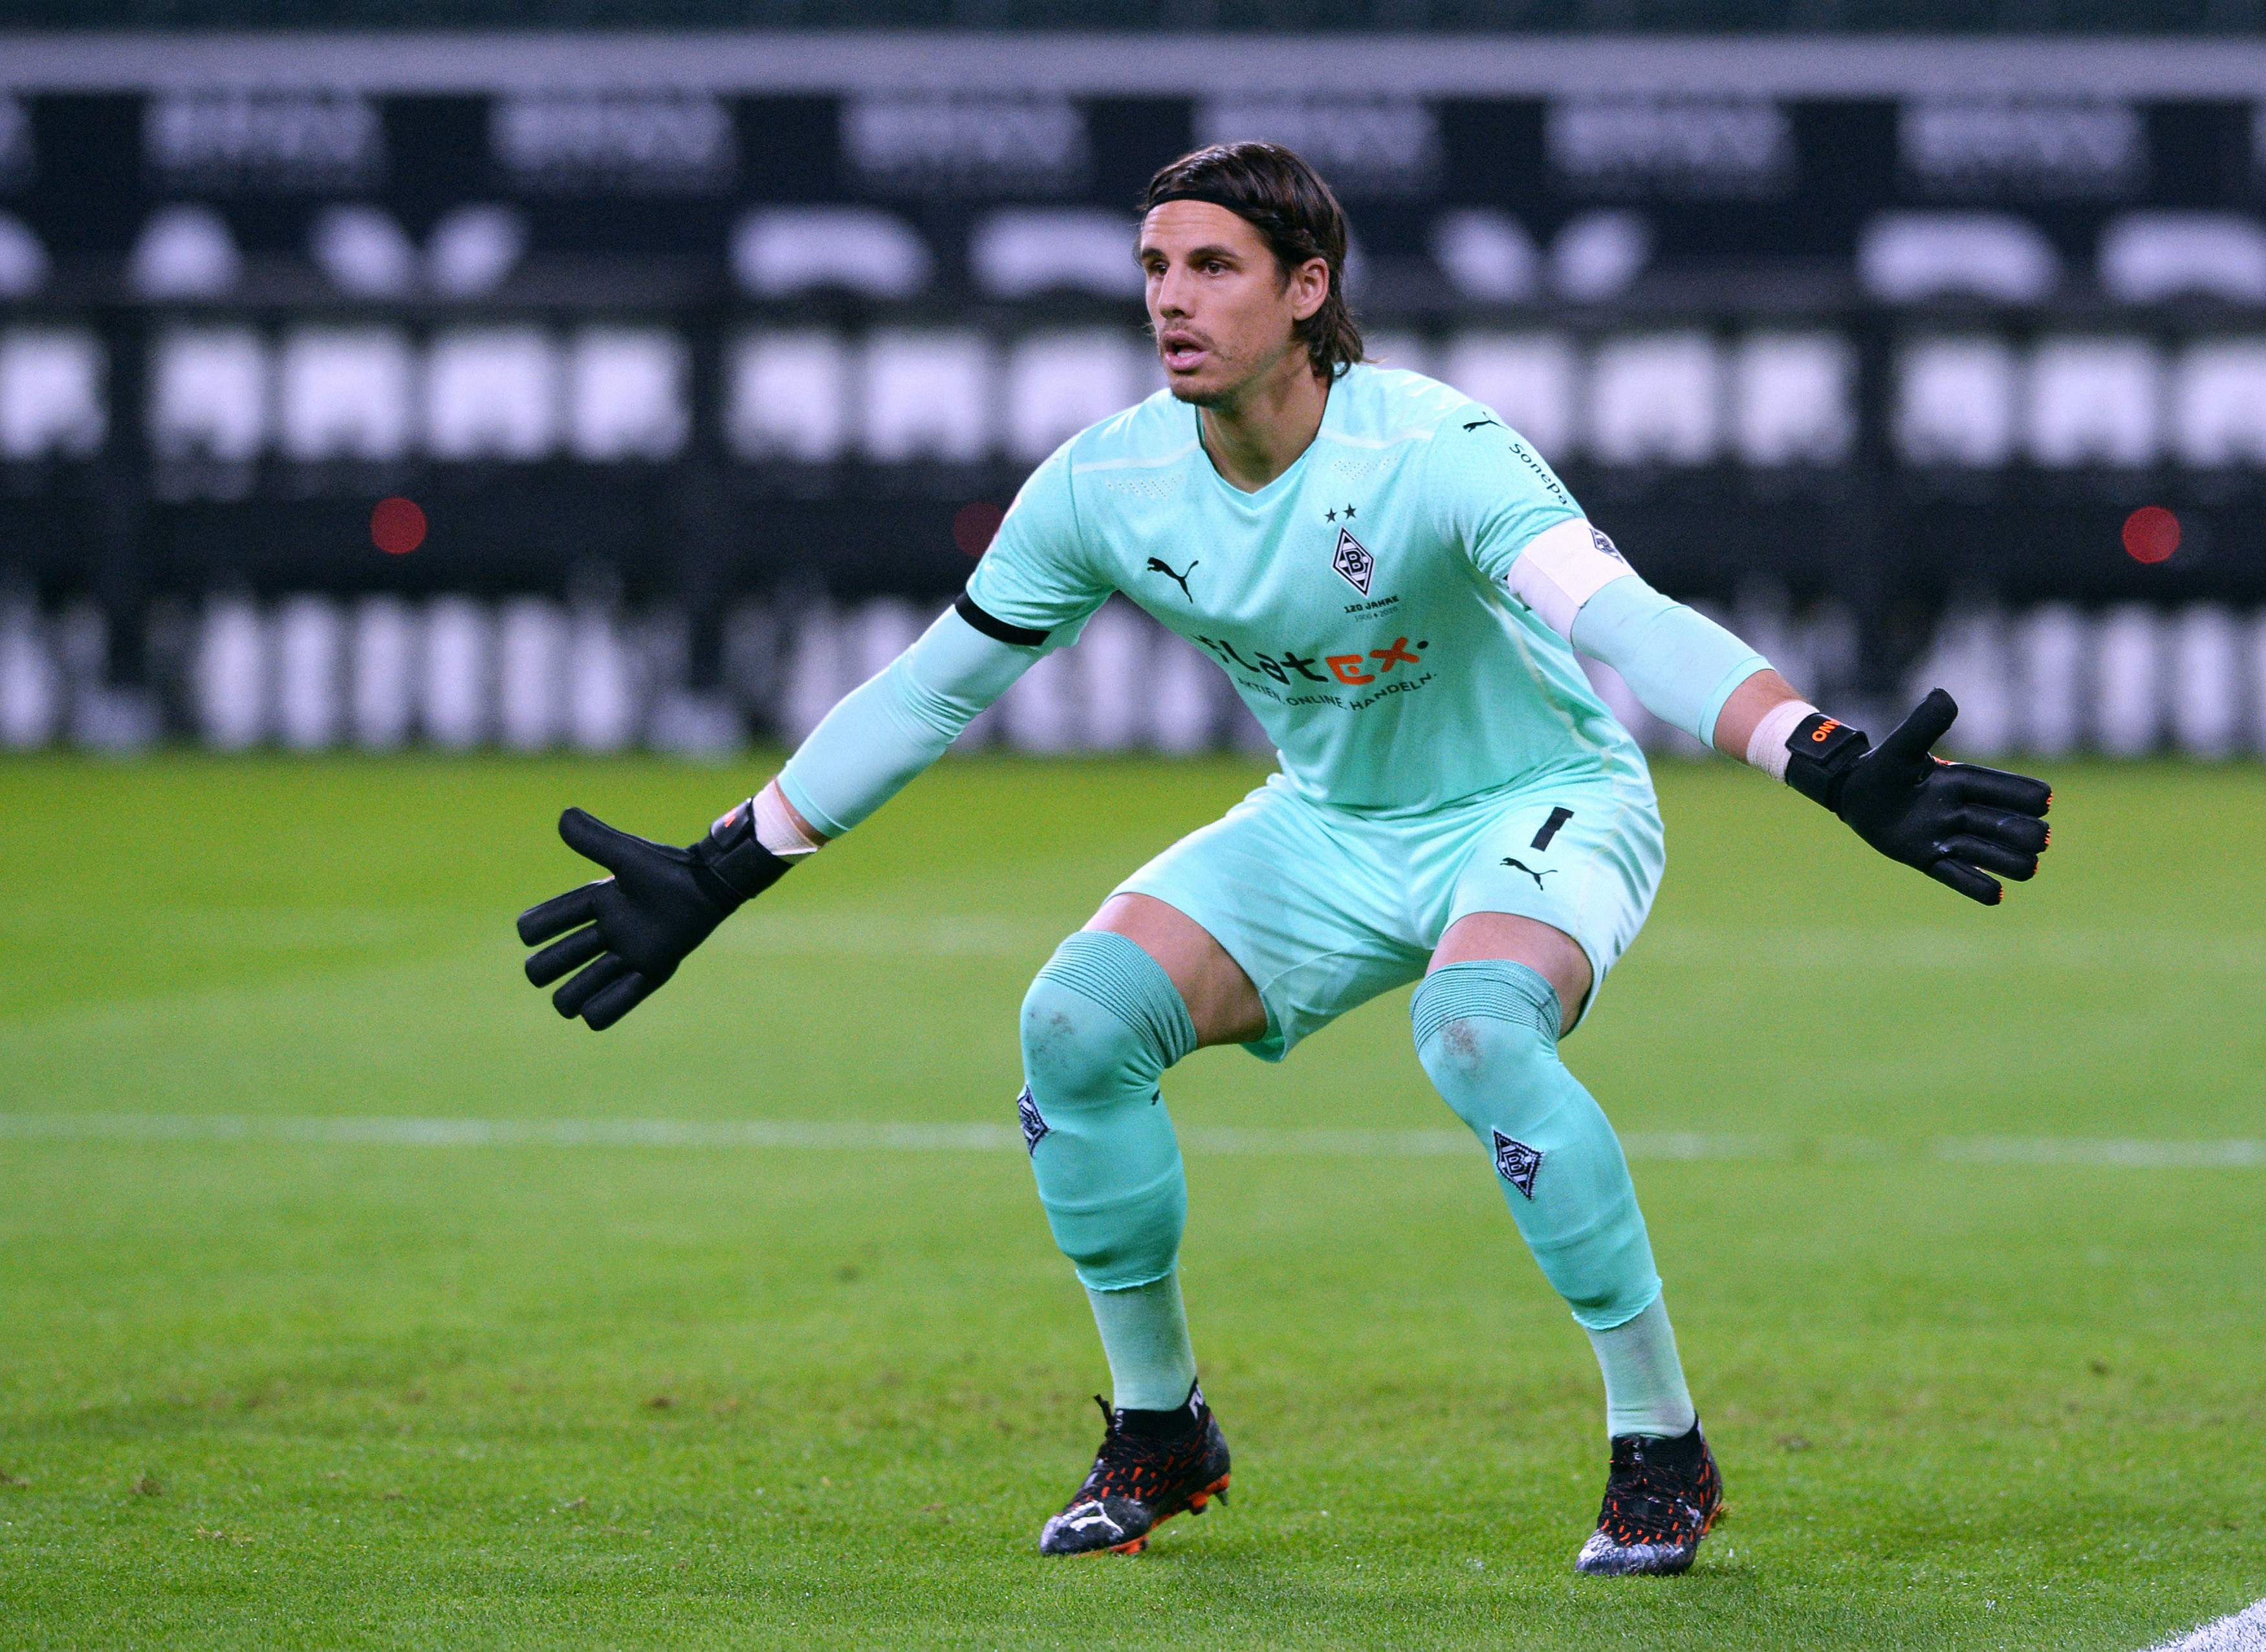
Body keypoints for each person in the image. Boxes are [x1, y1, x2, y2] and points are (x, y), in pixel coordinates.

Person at [516, 141, 2052, 1577]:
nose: (1170, 301)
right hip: (1324, 822)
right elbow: (931, 691)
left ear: (1306, 287)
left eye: (1211, 267)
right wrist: (724, 865)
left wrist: (1815, 751)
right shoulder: (1107, 484)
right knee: (1075, 1021)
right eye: (1153, 267)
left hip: (1536, 800)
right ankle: (1160, 1427)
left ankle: (1658, 1441)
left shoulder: (1432, 446)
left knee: (1474, 1028)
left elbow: (1619, 617)